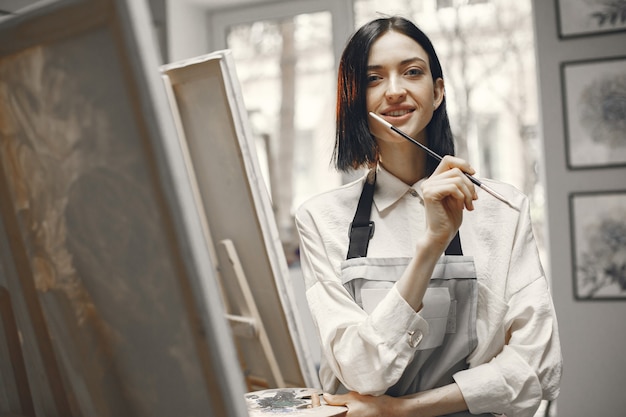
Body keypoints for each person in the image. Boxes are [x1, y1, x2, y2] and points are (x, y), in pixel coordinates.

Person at [294, 16, 562, 417]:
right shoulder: (320, 218)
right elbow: (362, 371)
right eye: (372, 79)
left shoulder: (502, 209)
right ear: (354, 100)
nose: (395, 91)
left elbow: (536, 368)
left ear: (437, 92)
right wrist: (431, 245)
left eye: (412, 72)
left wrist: (400, 410)